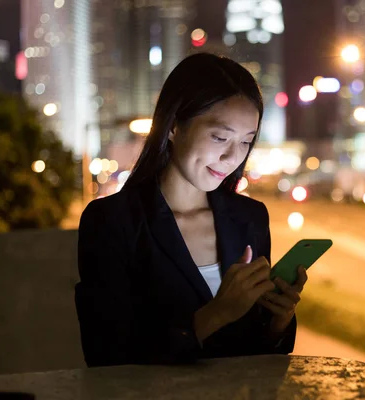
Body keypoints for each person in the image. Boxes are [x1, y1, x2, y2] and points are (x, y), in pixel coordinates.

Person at [75, 53, 308, 367]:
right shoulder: (112, 222)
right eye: (220, 137)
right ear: (173, 125)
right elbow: (106, 355)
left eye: (245, 142)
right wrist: (215, 314)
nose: (231, 157)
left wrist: (279, 321)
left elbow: (258, 355)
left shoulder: (249, 218)